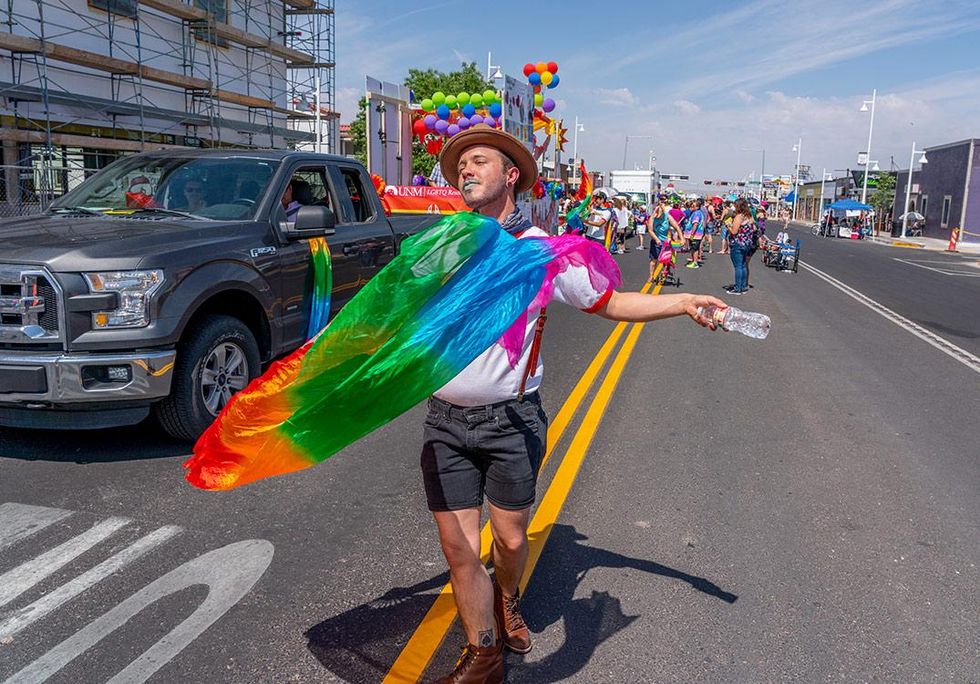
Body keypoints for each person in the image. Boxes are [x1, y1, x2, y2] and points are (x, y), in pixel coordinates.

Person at [429, 124, 728, 683]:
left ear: (510, 175)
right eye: (460, 165)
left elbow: (609, 304)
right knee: (459, 546)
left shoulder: (541, 253)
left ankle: (507, 597)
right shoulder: (446, 246)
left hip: (509, 422)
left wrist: (683, 300)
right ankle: (483, 656)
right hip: (443, 421)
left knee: (510, 541)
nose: (465, 171)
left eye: (477, 162)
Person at [726, 198, 756, 295]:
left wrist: (728, 226)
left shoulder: (739, 217)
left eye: (735, 205)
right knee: (743, 265)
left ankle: (738, 288)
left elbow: (734, 231)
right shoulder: (749, 216)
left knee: (738, 266)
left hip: (737, 243)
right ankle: (743, 286)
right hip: (746, 243)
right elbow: (754, 228)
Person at [685, 199, 706, 268]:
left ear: (697, 207)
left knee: (694, 248)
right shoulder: (696, 213)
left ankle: (695, 262)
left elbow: (695, 224)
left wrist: (692, 233)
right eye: (691, 205)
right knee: (693, 248)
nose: (691, 207)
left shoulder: (697, 213)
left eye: (693, 206)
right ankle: (693, 260)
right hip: (695, 234)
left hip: (695, 235)